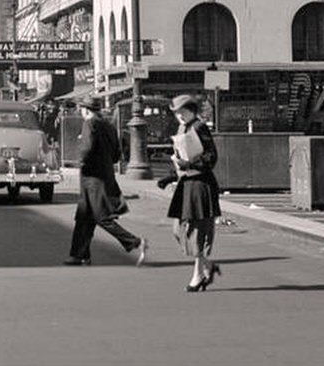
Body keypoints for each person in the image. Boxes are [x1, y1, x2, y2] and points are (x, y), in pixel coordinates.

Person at [65, 97, 148, 267]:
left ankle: (135, 242)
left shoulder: (89, 124)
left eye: (81, 109)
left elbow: (87, 148)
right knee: (83, 218)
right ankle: (79, 255)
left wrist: (80, 161)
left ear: (86, 110)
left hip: (92, 179)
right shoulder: (109, 126)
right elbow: (117, 154)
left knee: (101, 217)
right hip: (105, 176)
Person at [159, 94, 222, 292]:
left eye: (181, 111)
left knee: (196, 230)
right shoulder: (182, 128)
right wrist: (171, 175)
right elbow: (181, 156)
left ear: (191, 110)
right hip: (187, 183)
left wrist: (191, 164)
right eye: (176, 113)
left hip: (200, 184)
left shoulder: (199, 127)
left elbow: (211, 157)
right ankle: (207, 266)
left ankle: (197, 274)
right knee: (178, 229)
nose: (178, 115)